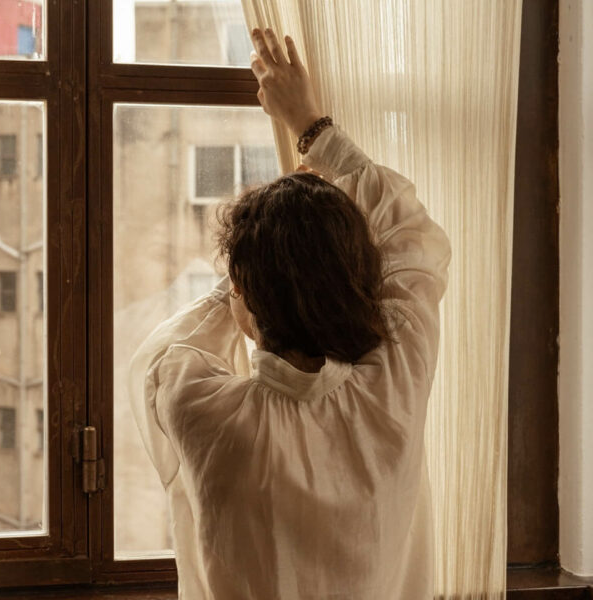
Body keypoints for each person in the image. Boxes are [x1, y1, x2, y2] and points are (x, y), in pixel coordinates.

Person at [129, 28, 451, 600]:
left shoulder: (202, 410)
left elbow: (165, 352)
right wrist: (311, 126)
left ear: (244, 298)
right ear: (358, 284)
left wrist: (254, 275)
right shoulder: (395, 386)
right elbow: (411, 233)